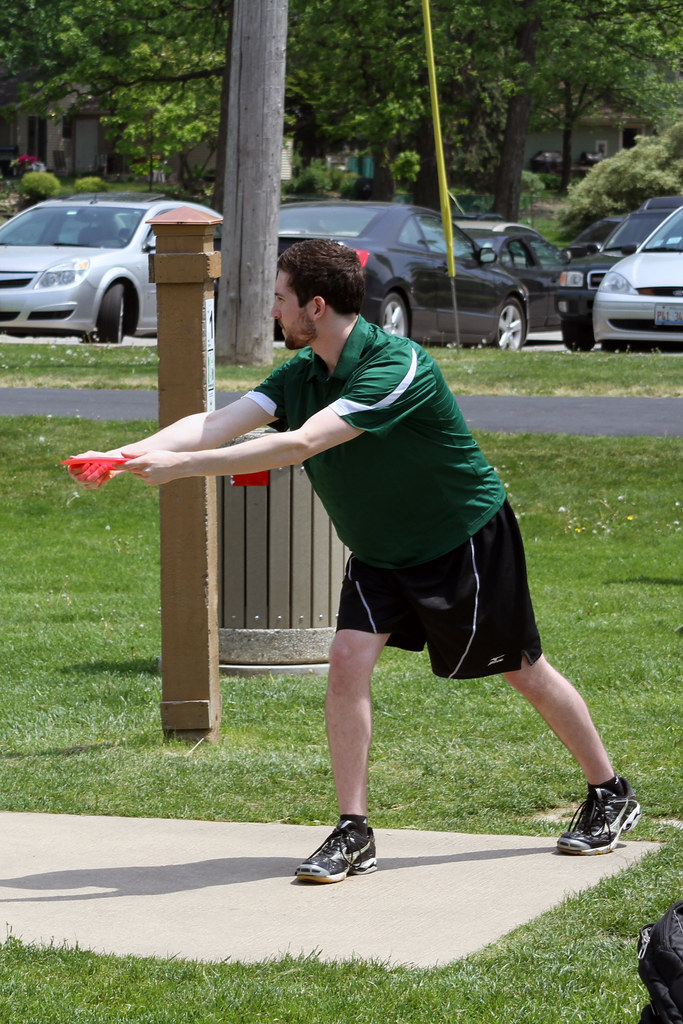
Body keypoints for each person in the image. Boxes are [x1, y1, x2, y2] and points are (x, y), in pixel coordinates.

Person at [70, 238, 641, 883]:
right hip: (378, 549)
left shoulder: (396, 366)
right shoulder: (302, 371)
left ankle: (610, 791)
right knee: (346, 660)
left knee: (521, 670)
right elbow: (217, 422)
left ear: (316, 306)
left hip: (462, 538)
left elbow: (300, 445)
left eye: (281, 300)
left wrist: (180, 469)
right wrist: (121, 455)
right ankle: (354, 829)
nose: (274, 313)